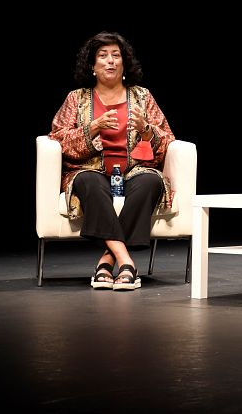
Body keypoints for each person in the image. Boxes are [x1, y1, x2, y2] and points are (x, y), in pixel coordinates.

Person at [49, 31, 176, 291]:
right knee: (90, 183)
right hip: (89, 170)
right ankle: (127, 262)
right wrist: (92, 128)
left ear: (125, 63)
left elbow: (167, 143)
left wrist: (146, 129)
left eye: (116, 55)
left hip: (135, 171)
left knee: (151, 181)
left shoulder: (143, 97)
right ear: (92, 66)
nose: (110, 61)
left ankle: (106, 262)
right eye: (103, 56)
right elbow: (58, 140)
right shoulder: (77, 98)